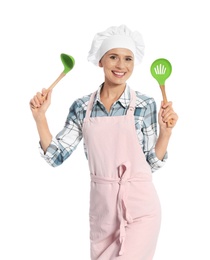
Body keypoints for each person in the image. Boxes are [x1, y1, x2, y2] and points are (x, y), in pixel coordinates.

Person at [29, 24, 178, 260]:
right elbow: (56, 156)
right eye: (113, 57)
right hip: (103, 212)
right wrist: (40, 118)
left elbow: (151, 163)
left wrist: (166, 133)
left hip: (141, 207)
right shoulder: (81, 107)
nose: (121, 66)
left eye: (128, 59)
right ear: (101, 61)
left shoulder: (145, 104)